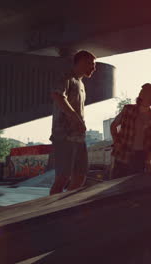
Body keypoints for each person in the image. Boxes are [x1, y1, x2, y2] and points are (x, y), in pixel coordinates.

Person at [49, 50, 96, 195]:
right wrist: (75, 118)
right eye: (91, 64)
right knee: (63, 177)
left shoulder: (81, 84)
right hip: (64, 135)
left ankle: (66, 206)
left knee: (80, 176)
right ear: (81, 61)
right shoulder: (66, 77)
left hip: (79, 136)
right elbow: (57, 95)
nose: (93, 69)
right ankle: (51, 211)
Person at [110, 83, 151, 178]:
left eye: (150, 97)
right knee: (118, 187)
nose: (147, 99)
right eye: (145, 96)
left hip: (143, 159)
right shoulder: (128, 110)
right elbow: (113, 126)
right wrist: (116, 142)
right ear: (140, 96)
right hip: (123, 155)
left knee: (140, 188)